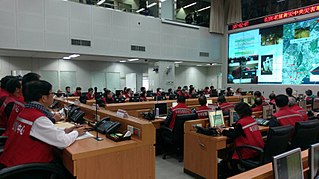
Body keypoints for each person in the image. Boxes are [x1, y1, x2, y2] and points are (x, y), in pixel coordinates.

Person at [0, 80, 86, 171]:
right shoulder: (38, 119)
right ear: (44, 98)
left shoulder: (26, 111)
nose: (53, 95)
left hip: (11, 160)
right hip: (26, 168)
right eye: (51, 93)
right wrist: (77, 132)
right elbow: (62, 142)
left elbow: (42, 131)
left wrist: (65, 131)